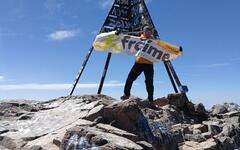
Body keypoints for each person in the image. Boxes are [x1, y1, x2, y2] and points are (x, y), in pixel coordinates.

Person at [121, 25, 155, 102]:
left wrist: (176, 50)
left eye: (149, 32)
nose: (148, 34)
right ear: (144, 31)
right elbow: (127, 37)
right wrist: (119, 34)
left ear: (151, 33)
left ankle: (150, 99)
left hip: (149, 64)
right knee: (130, 78)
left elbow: (165, 47)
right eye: (146, 32)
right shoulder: (139, 38)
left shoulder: (155, 41)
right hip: (139, 63)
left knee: (149, 82)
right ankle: (126, 94)